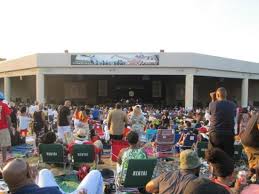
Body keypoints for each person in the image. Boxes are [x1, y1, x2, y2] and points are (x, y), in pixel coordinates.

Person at [2, 158, 103, 194]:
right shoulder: (51, 191)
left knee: (44, 171)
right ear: (29, 174)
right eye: (29, 168)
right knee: (96, 174)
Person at [208, 87, 236, 158]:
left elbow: (211, 112)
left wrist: (212, 98)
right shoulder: (232, 105)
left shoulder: (213, 104)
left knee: (214, 156)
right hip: (229, 133)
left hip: (215, 133)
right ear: (226, 95)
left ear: (217, 95)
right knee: (228, 156)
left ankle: (215, 168)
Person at [0, 91, 12, 165]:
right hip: (3, 127)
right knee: (4, 145)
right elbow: (8, 117)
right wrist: (9, 127)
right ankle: (3, 161)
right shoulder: (4, 105)